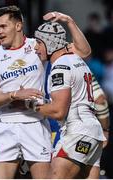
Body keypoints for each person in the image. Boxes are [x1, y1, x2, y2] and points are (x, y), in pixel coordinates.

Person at [0, 7, 91, 179]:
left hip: (36, 124)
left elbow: (84, 52)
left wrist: (69, 21)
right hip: (5, 126)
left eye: (3, 26)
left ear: (18, 26)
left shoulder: (38, 46)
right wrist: (15, 94)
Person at [34, 21, 106, 178]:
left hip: (77, 132)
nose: (35, 47)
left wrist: (30, 105)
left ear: (50, 43)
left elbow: (58, 111)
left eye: (39, 42)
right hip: (93, 133)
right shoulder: (77, 60)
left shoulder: (60, 67)